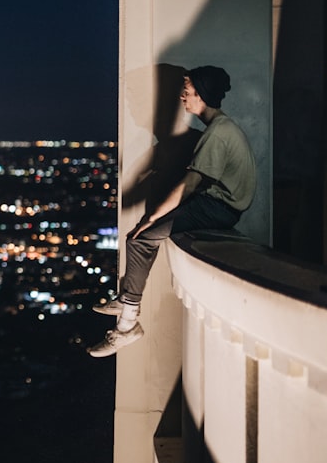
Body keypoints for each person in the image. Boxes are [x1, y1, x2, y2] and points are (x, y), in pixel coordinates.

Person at [87, 65, 256, 357]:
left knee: (139, 239)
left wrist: (150, 218)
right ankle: (126, 300)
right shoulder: (220, 128)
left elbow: (189, 185)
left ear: (201, 95)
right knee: (142, 234)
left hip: (218, 208)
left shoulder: (217, 133)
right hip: (217, 206)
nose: (182, 97)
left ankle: (127, 325)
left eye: (187, 92)